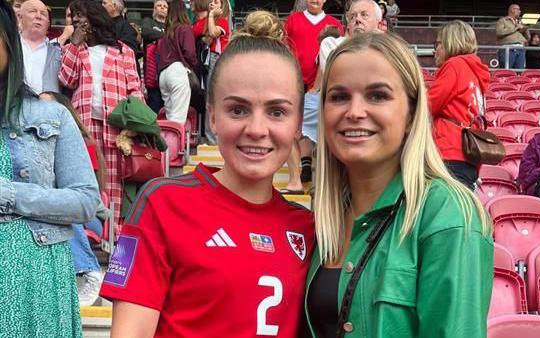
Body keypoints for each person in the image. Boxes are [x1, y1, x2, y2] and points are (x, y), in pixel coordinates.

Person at [100, 12, 314, 337]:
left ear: (298, 123)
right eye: (237, 110)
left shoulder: (306, 228)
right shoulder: (163, 203)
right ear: (212, 117)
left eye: (276, 112)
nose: (256, 129)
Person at [305, 32, 493, 338]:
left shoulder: (449, 215)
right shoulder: (325, 214)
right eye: (338, 96)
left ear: (410, 113)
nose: (354, 112)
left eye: (377, 95)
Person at [0, 0, 99, 335]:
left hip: (37, 281)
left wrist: (8, 194)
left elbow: (85, 201)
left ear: (8, 43)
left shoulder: (51, 116)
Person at [59, 0, 143, 225]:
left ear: (94, 16)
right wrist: (74, 44)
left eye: (80, 14)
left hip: (116, 127)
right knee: (88, 178)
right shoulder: (73, 50)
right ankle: (92, 233)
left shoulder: (122, 50)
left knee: (114, 181)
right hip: (84, 125)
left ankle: (113, 236)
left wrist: (132, 125)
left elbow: (135, 87)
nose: (75, 20)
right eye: (72, 16)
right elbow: (66, 79)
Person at [39, 90, 108, 307]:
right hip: (57, 208)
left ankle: (90, 270)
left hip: (91, 217)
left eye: (47, 106)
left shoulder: (81, 144)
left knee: (66, 208)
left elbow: (83, 196)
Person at [282, 0, 344, 193]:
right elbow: (284, 48)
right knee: (292, 127)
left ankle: (315, 175)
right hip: (295, 80)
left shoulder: (334, 23)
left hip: (322, 85)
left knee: (319, 132)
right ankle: (298, 175)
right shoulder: (293, 20)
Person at [428, 20, 490, 189]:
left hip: (449, 151)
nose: (435, 50)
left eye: (438, 44)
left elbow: (428, 105)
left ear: (450, 42)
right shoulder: (475, 72)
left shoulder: (455, 65)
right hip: (469, 157)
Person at [192, 0, 231, 145]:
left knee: (214, 99)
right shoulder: (209, 20)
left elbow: (213, 33)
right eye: (212, 1)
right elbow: (198, 33)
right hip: (209, 60)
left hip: (218, 59)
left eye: (216, 1)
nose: (212, 3)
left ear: (222, 6)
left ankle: (214, 139)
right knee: (209, 99)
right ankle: (211, 138)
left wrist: (211, 16)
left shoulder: (222, 21)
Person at [157, 0, 196, 124]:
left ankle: (169, 143)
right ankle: (176, 143)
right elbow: (190, 53)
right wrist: (194, 65)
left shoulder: (165, 33)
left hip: (163, 74)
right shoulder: (185, 28)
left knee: (170, 119)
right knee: (178, 121)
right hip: (177, 71)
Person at [18, 0, 62, 94]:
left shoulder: (59, 53)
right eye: (32, 11)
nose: (38, 16)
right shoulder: (7, 47)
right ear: (20, 17)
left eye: (43, 14)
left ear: (48, 23)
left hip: (49, 107)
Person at [142, 0, 168, 113]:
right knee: (154, 104)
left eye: (165, 6)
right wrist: (167, 36)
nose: (162, 8)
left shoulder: (170, 24)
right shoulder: (148, 21)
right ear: (154, 9)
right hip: (152, 73)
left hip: (167, 69)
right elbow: (146, 33)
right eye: (159, 5)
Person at [496, 3, 529, 69]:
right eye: (518, 9)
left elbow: (528, 38)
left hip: (520, 49)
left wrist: (525, 29)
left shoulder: (520, 22)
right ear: (512, 10)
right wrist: (516, 28)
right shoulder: (503, 20)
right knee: (506, 72)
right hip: (508, 49)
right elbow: (499, 32)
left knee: (519, 72)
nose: (520, 11)